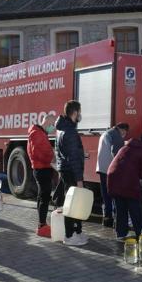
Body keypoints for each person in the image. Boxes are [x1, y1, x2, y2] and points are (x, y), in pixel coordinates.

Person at [55, 100, 88, 246]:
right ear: (74, 113)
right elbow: (73, 157)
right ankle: (69, 236)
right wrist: (79, 179)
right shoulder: (70, 132)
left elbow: (64, 152)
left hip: (65, 169)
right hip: (71, 171)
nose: (80, 115)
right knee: (72, 204)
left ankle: (77, 232)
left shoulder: (62, 129)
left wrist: (81, 154)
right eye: (79, 112)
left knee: (71, 202)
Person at [107, 137, 142, 240]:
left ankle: (121, 233)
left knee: (120, 208)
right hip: (128, 181)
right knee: (135, 208)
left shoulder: (124, 148)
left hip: (113, 178)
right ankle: (141, 234)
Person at [27, 114, 57, 237]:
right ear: (48, 122)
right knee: (44, 198)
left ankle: (42, 224)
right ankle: (42, 226)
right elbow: (41, 153)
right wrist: (53, 158)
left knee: (42, 197)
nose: (53, 127)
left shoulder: (39, 133)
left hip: (42, 168)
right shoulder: (38, 134)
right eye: (53, 124)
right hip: (42, 169)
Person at [96, 122, 129, 227]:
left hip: (101, 168)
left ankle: (107, 218)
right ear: (122, 130)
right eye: (125, 133)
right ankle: (116, 219)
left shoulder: (106, 133)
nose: (124, 135)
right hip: (110, 169)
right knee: (114, 194)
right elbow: (117, 154)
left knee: (105, 194)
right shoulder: (116, 135)